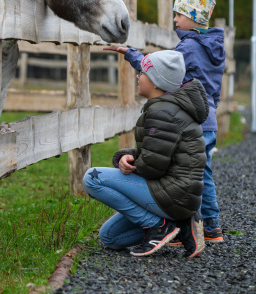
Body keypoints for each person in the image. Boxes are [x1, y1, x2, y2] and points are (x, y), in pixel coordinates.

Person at [104, 0, 225, 243]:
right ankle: (209, 225)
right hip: (209, 120)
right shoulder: (214, 49)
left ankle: (197, 225)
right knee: (204, 173)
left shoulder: (190, 49)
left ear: (193, 18)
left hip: (193, 123)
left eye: (179, 15)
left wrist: (132, 55)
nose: (174, 20)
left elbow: (160, 70)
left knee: (189, 175)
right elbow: (213, 91)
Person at [83, 50, 208, 257]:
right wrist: (125, 156)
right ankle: (179, 224)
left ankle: (159, 226)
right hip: (177, 194)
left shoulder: (163, 112)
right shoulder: (168, 108)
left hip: (174, 194)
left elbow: (152, 167)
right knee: (110, 238)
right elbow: (156, 152)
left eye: (143, 73)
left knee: (93, 178)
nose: (138, 76)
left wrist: (130, 164)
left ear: (157, 82)